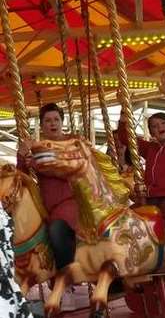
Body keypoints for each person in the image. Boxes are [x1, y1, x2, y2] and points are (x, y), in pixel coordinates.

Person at [118, 73, 165, 296]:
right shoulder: (149, 148)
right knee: (123, 220)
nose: (157, 127)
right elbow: (124, 136)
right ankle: (132, 265)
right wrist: (125, 107)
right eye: (153, 125)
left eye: (162, 124)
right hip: (149, 197)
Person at [16, 103, 78, 310]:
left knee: (57, 230)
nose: (53, 123)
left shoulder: (70, 143)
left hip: (69, 202)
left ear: (62, 122)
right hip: (46, 205)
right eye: (48, 120)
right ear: (42, 125)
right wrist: (22, 154)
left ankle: (67, 288)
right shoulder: (37, 146)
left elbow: (56, 169)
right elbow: (22, 174)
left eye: (56, 120)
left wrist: (31, 159)